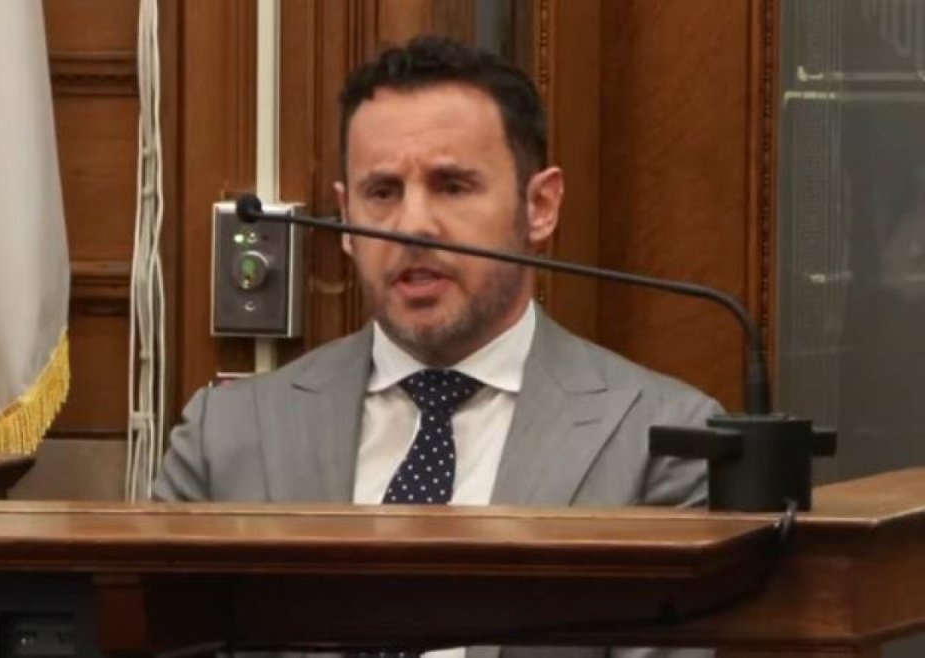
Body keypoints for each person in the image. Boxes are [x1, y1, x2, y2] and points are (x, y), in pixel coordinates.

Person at [154, 35, 717, 658]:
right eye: (383, 192)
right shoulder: (226, 437)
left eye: (452, 186)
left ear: (540, 206)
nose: (413, 225)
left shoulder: (665, 443)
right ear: (345, 219)